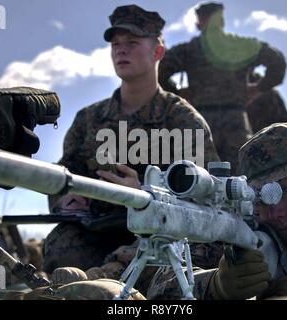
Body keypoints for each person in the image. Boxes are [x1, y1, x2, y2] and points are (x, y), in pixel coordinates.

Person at [43, 4, 219, 276]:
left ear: (158, 51)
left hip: (160, 232)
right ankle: (85, 285)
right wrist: (66, 198)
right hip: (98, 230)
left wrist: (148, 192)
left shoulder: (182, 120)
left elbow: (207, 196)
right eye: (115, 44)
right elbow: (66, 171)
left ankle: (103, 281)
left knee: (187, 251)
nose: (120, 50)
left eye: (133, 42)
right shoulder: (89, 119)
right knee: (62, 243)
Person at [147, 123, 287, 299]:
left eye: (282, 191)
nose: (273, 213)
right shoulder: (247, 215)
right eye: (260, 199)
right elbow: (155, 281)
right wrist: (216, 286)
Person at [159, 2, 286, 174]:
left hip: (200, 120)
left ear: (199, 23)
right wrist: (257, 89)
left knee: (199, 178)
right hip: (236, 121)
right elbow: (278, 61)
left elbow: (159, 69)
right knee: (240, 179)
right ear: (222, 22)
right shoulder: (240, 45)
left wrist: (178, 93)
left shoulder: (189, 50)